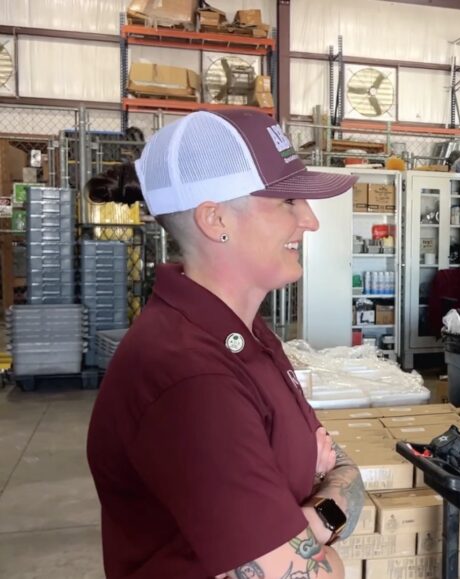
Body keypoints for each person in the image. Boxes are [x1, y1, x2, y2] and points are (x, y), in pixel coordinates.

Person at [86, 109, 365, 579]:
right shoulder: (192, 378)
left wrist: (307, 527)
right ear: (215, 219)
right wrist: (323, 536)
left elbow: (343, 466)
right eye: (287, 201)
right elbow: (316, 571)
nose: (310, 221)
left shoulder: (246, 335)